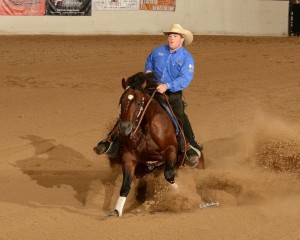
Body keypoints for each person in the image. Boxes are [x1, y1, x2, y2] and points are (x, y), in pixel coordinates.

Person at [94, 23, 202, 160]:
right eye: (170, 36)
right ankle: (110, 141)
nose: (171, 38)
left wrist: (167, 85)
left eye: (175, 36)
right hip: (151, 90)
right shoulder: (158, 51)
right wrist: (148, 71)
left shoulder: (187, 58)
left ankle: (189, 146)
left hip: (171, 94)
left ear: (182, 40)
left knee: (179, 115)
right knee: (131, 108)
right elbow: (149, 62)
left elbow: (185, 78)